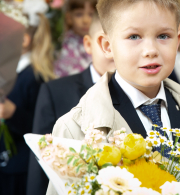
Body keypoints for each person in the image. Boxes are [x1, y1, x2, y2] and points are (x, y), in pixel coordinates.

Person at [46, 0, 180, 195]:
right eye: (134, 37)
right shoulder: (75, 128)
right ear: (107, 46)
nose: (151, 51)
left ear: (178, 40)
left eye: (163, 36)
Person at [26, 15, 115, 195]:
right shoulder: (55, 92)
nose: (113, 51)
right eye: (106, 42)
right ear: (89, 45)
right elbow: (41, 159)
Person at [0, 0, 55, 195]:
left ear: (24, 39)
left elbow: (42, 128)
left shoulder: (35, 76)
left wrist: (13, 112)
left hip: (21, 166)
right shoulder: (9, 70)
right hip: (2, 159)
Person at [54, 0, 97, 77]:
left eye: (91, 14)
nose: (85, 20)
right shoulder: (64, 46)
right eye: (79, 14)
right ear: (69, 18)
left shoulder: (100, 42)